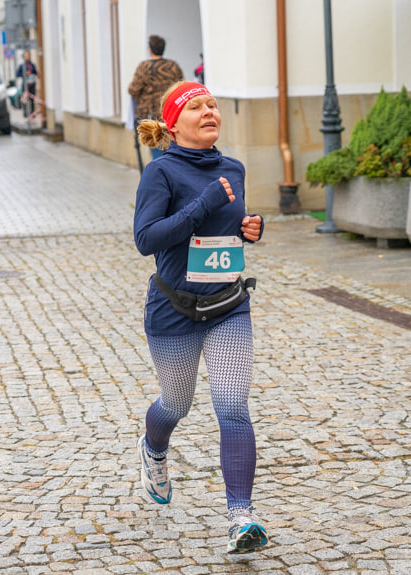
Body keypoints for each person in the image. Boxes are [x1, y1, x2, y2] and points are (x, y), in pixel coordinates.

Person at [133, 81, 268, 553]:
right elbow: (147, 239)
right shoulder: (160, 173)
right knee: (177, 403)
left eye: (212, 105)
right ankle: (153, 449)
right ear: (173, 124)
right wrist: (204, 203)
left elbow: (230, 230)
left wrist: (252, 229)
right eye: (196, 107)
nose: (209, 111)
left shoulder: (234, 168)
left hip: (228, 306)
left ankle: (241, 517)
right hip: (174, 310)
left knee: (232, 406)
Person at [128, 35, 184, 160]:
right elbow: (181, 86)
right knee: (174, 148)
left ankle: (163, 176)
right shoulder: (173, 66)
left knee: (157, 151)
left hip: (151, 115)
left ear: (150, 50)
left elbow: (134, 90)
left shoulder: (144, 67)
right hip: (172, 115)